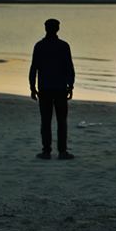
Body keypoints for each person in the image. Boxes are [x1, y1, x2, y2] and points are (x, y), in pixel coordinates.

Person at [29, 18, 76, 160]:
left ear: (45, 28)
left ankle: (46, 151)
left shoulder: (40, 46)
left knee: (46, 121)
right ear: (58, 29)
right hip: (59, 88)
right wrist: (70, 85)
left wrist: (32, 86)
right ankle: (62, 151)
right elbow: (70, 68)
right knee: (61, 121)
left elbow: (34, 68)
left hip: (45, 88)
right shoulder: (63, 46)